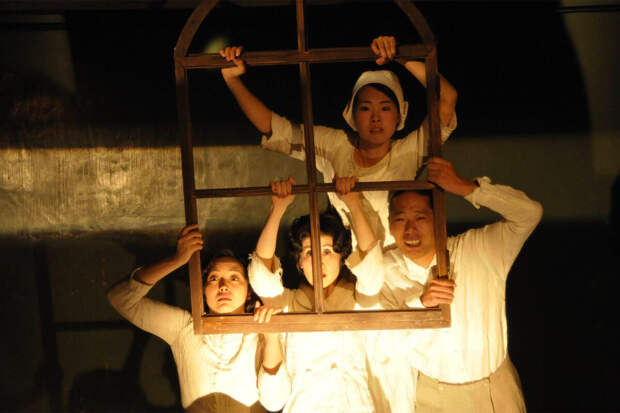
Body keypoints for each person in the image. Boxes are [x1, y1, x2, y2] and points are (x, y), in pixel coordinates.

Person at [219, 35, 458, 248]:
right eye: (365, 108)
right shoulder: (335, 145)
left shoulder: (410, 151)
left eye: (385, 108)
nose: (376, 118)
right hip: (350, 261)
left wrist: (400, 56)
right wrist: (232, 80)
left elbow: (447, 97)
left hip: (402, 259)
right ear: (352, 114)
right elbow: (274, 128)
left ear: (399, 116)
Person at [377, 157, 543, 413]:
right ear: (390, 223)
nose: (410, 230)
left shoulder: (479, 248)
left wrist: (464, 187)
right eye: (400, 219)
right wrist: (421, 304)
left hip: (494, 387)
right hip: (434, 395)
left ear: (438, 218)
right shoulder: (384, 270)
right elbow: (384, 341)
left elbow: (530, 214)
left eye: (420, 218)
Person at [249, 176, 384, 412]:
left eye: (328, 251)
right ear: (300, 262)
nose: (319, 262)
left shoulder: (358, 300)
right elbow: (261, 275)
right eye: (310, 253)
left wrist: (354, 204)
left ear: (342, 258)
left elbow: (373, 269)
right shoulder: (288, 304)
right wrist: (278, 209)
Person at [107, 225, 267, 413]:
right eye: (214, 278)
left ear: (249, 292)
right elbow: (120, 299)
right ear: (203, 290)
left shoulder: (263, 328)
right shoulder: (185, 327)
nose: (223, 286)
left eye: (234, 278)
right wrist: (177, 260)